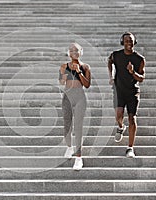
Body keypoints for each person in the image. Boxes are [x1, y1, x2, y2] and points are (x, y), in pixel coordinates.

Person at [108, 32, 146, 158]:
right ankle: (120, 127)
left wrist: (132, 72)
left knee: (132, 119)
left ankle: (130, 148)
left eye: (131, 41)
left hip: (132, 92)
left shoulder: (139, 59)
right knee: (118, 115)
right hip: (119, 90)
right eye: (126, 41)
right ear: (122, 42)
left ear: (134, 42)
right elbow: (110, 61)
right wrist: (111, 76)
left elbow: (141, 78)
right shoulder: (116, 55)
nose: (128, 43)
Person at [59, 42, 91, 170]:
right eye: (72, 51)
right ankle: (69, 147)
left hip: (80, 97)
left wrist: (79, 72)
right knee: (67, 124)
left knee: (78, 127)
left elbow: (87, 84)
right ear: (68, 53)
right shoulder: (63, 66)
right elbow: (61, 82)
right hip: (67, 96)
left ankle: (78, 157)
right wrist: (64, 76)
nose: (74, 53)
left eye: (77, 50)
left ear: (81, 52)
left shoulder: (86, 67)